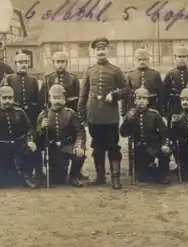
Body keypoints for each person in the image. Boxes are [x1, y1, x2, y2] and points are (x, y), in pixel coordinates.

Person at [78, 37, 130, 190]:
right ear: (94, 52)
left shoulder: (116, 71)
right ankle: (100, 177)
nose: (101, 52)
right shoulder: (89, 71)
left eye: (103, 49)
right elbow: (83, 93)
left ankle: (115, 178)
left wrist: (114, 95)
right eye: (98, 49)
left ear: (108, 51)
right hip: (94, 115)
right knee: (97, 146)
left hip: (110, 116)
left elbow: (127, 90)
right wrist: (82, 113)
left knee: (113, 146)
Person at [42, 50, 87, 181]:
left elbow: (78, 99)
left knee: (75, 144)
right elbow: (43, 100)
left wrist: (75, 115)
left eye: (63, 62)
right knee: (57, 176)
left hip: (69, 115)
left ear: (66, 63)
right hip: (52, 113)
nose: (60, 64)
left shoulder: (73, 78)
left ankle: (76, 173)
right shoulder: (47, 78)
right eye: (58, 62)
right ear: (53, 63)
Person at [1, 52, 43, 185]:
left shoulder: (33, 80)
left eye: (25, 62)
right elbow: (1, 98)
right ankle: (19, 173)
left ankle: (34, 173)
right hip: (14, 118)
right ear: (15, 64)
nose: (23, 64)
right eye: (20, 62)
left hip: (30, 118)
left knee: (32, 145)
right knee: (17, 146)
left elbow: (38, 102)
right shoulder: (8, 79)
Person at [0, 86, 38, 188]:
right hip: (1, 147)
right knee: (3, 177)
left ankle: (27, 176)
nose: (7, 101)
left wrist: (30, 140)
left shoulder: (20, 112)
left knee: (30, 149)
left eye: (10, 98)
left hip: (17, 145)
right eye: (4, 98)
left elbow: (29, 129)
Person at [36, 84, 87, 187]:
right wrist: (41, 127)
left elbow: (80, 131)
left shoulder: (70, 113)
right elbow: (37, 136)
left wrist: (79, 145)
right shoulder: (43, 114)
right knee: (58, 180)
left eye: (60, 98)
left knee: (79, 154)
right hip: (52, 148)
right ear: (50, 99)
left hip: (68, 146)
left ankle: (74, 176)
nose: (57, 101)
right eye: (54, 98)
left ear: (64, 99)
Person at [120, 86, 172, 184]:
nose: (141, 101)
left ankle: (164, 174)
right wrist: (127, 120)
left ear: (148, 101)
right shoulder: (131, 114)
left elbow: (164, 132)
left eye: (144, 99)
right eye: (139, 98)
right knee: (143, 178)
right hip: (140, 149)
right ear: (135, 101)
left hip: (155, 146)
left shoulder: (155, 114)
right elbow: (123, 133)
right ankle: (150, 169)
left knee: (164, 156)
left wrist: (165, 144)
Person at [162, 45, 188, 119]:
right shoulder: (170, 74)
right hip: (175, 108)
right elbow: (164, 95)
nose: (181, 59)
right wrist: (165, 113)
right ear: (175, 58)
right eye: (179, 57)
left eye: (184, 57)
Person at [124, 48, 164, 114]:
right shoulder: (130, 75)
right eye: (139, 59)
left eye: (144, 59)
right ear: (135, 60)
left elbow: (161, 94)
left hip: (152, 107)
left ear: (148, 60)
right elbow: (126, 95)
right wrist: (124, 112)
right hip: (134, 108)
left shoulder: (155, 74)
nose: (142, 62)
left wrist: (161, 112)